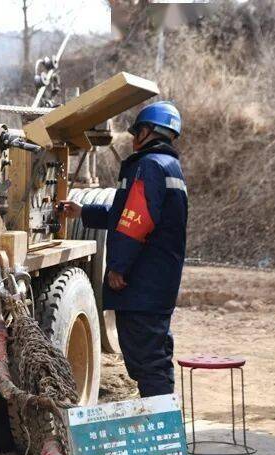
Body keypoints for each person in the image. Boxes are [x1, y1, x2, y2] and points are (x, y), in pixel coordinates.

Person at [59, 101, 188, 398]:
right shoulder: (169, 166)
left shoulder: (149, 165)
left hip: (143, 283)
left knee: (148, 360)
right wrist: (83, 211)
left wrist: (118, 266)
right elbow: (128, 214)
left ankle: (160, 422)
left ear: (147, 131)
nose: (132, 139)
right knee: (152, 355)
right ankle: (160, 417)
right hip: (158, 281)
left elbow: (135, 222)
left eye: (136, 132)